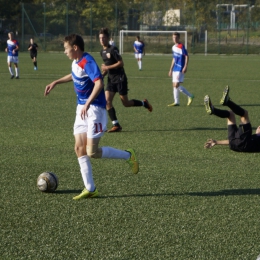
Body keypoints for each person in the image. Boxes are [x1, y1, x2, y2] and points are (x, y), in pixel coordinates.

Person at [44, 34, 139, 200]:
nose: (65, 52)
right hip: (82, 108)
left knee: (92, 152)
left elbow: (99, 83)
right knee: (79, 148)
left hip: (95, 109)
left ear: (75, 48)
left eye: (66, 48)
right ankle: (90, 188)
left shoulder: (87, 61)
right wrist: (56, 82)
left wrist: (88, 103)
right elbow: (74, 75)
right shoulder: (76, 62)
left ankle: (128, 155)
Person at [99, 28, 152, 133]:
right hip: (111, 79)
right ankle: (116, 125)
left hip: (120, 78)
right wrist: (102, 75)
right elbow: (107, 66)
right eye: (100, 38)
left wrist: (107, 68)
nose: (102, 40)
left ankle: (144, 103)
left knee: (126, 103)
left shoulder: (113, 49)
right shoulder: (102, 52)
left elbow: (121, 63)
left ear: (108, 38)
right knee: (107, 101)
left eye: (104, 37)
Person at [204, 85, 260, 152]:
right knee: (230, 114)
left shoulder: (254, 139)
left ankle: (227, 102)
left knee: (244, 114)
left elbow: (241, 141)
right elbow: (234, 141)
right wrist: (216, 142)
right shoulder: (254, 138)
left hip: (244, 144)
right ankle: (213, 110)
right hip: (234, 144)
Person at [168, 32, 194, 107]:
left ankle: (190, 95)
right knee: (174, 85)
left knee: (176, 85)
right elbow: (174, 58)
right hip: (175, 68)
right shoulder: (173, 47)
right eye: (173, 37)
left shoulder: (181, 46)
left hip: (180, 67)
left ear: (179, 38)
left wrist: (185, 66)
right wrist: (170, 69)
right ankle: (176, 102)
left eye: (176, 37)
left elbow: (186, 56)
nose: (174, 39)